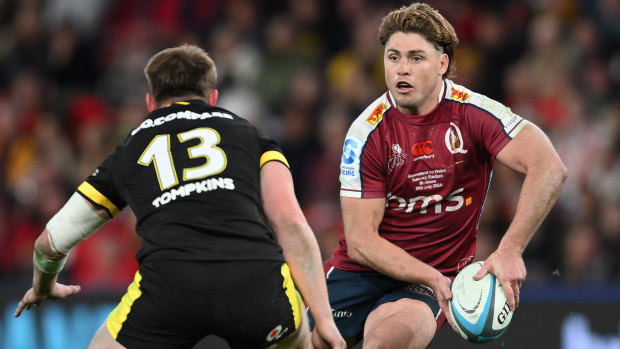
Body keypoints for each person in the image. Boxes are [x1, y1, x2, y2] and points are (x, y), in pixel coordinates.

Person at [14, 44, 346, 349]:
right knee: (297, 333)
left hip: (171, 288)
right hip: (253, 282)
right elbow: (290, 223)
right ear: (213, 97)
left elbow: (49, 242)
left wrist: (44, 286)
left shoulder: (130, 149)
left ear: (150, 102)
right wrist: (325, 320)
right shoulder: (251, 135)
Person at [308, 3, 567, 349]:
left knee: (385, 343)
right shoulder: (365, 133)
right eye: (393, 57)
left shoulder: (475, 114)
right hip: (361, 273)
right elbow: (360, 242)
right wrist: (431, 275)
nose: (402, 69)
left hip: (426, 288)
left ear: (443, 64)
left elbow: (549, 166)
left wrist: (510, 249)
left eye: (416, 58)